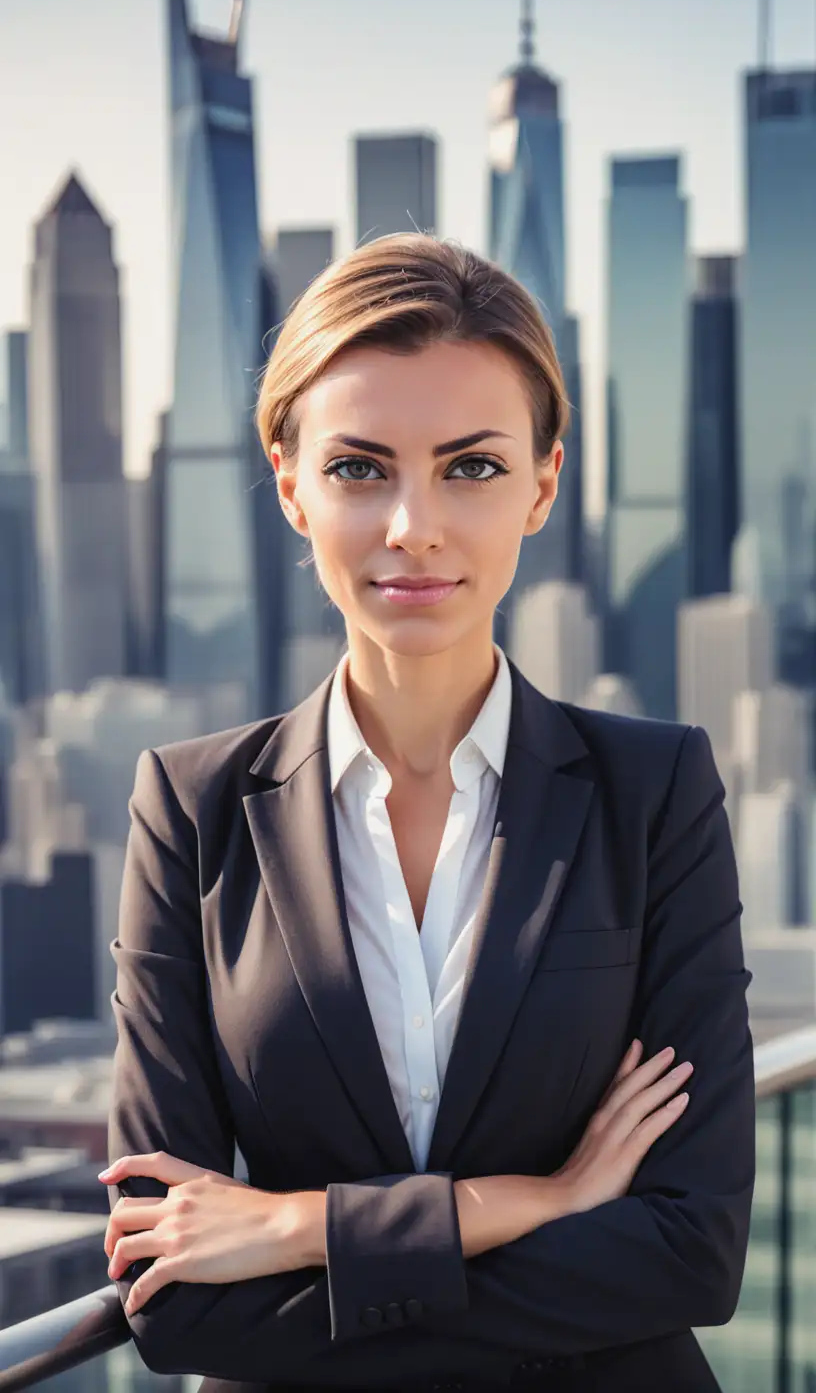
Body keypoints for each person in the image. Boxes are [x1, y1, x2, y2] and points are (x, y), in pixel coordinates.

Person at [101, 234, 755, 1393]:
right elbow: (177, 1296)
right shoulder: (192, 810)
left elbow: (688, 1254)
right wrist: (535, 1206)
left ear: (544, 483)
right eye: (360, 467)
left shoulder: (655, 793)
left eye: (472, 466)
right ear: (291, 484)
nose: (414, 524)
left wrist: (298, 1228)